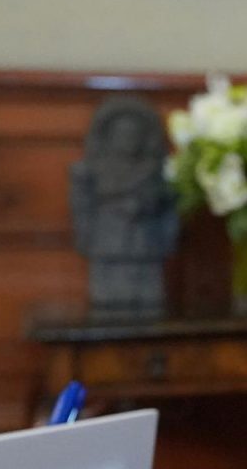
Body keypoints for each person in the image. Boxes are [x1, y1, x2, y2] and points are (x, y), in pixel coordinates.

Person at [70, 95, 179, 313]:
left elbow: (168, 204)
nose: (129, 141)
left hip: (145, 242)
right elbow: (82, 207)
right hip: (108, 242)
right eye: (123, 135)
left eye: (134, 135)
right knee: (106, 298)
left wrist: (146, 205)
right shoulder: (93, 170)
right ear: (110, 137)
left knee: (149, 297)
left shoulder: (155, 170)